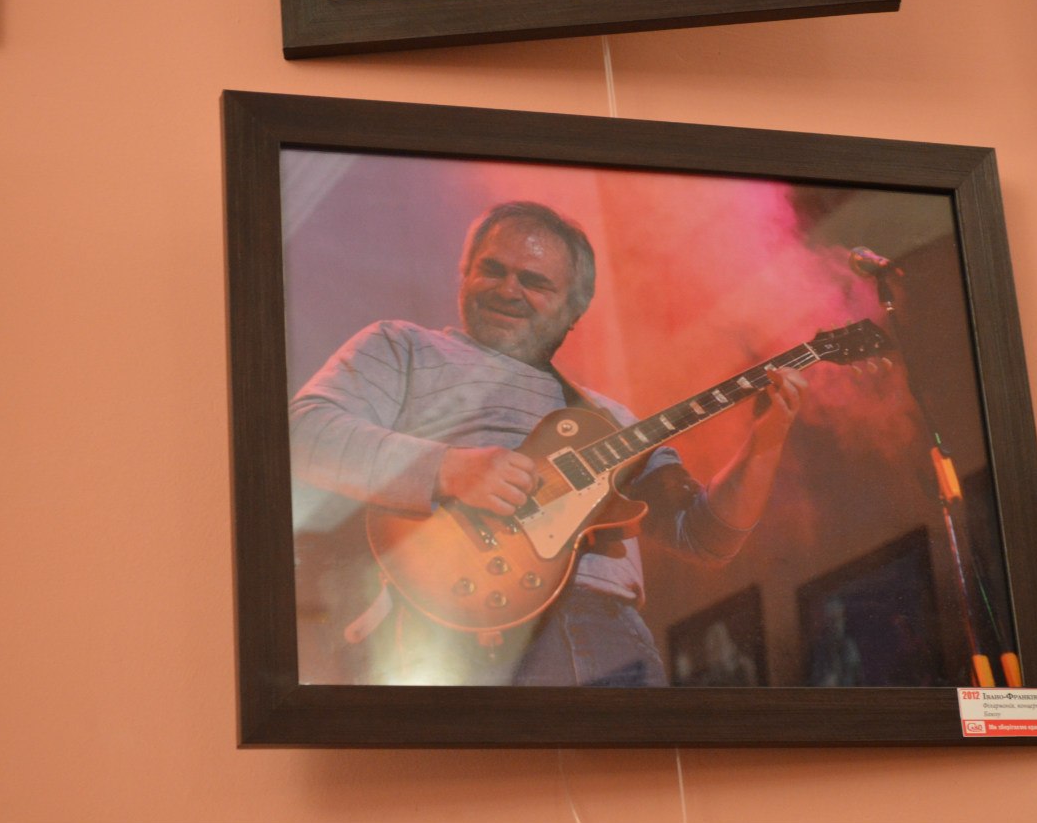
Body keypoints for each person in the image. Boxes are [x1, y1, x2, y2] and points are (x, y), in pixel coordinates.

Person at [289, 201, 806, 687]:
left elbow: (705, 537)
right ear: (464, 275)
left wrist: (765, 443)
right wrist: (450, 468)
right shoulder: (403, 346)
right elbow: (303, 432)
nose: (508, 289)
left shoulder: (613, 421)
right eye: (492, 270)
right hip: (452, 630)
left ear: (574, 309)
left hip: (608, 637)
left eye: (534, 281)